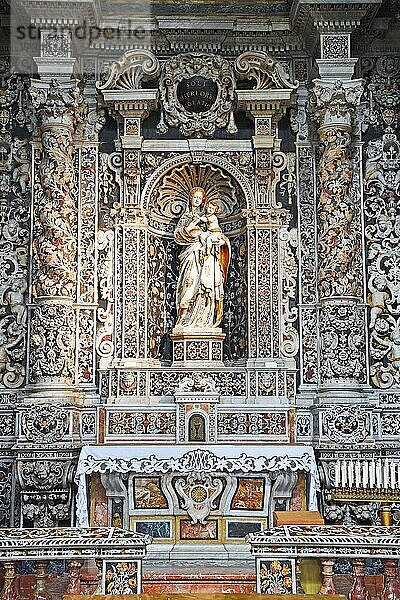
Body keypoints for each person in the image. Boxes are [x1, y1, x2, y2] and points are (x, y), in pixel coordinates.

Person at [174, 187, 230, 328]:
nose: (197, 200)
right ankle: (183, 320)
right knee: (189, 284)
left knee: (206, 287)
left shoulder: (208, 218)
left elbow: (218, 235)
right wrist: (190, 229)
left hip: (207, 258)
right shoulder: (186, 218)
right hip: (190, 255)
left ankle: (205, 320)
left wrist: (218, 241)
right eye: (195, 197)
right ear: (190, 199)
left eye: (200, 198)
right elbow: (177, 235)